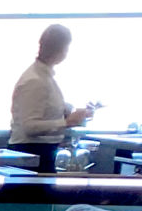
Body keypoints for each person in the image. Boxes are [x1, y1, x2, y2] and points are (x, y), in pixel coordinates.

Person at [10, 24, 96, 171]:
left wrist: (71, 113)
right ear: (60, 50)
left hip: (41, 152)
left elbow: (45, 112)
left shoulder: (44, 77)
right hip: (31, 153)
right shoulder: (35, 80)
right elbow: (29, 127)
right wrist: (66, 122)